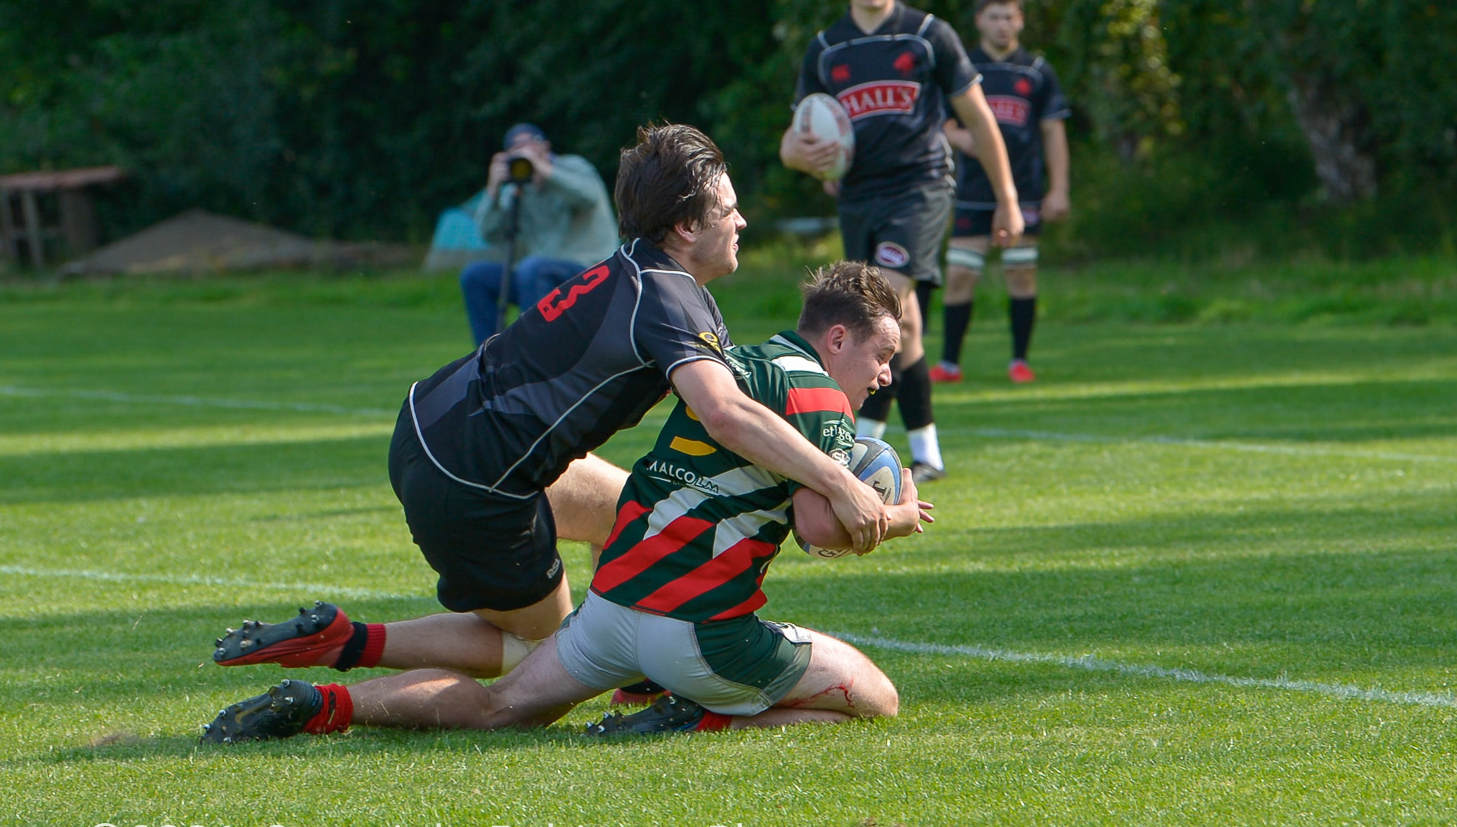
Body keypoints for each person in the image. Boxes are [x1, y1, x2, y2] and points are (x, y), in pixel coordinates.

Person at [212, 124, 890, 685]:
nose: (742, 220)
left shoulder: (642, 268)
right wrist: (840, 482)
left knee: (635, 507)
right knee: (542, 657)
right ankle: (344, 640)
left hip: (430, 421)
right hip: (472, 482)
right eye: (727, 210)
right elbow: (725, 414)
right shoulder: (672, 300)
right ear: (685, 225)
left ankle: (644, 647)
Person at [201, 261, 930, 743]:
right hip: (701, 636)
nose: (886, 375)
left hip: (610, 613)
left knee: (501, 705)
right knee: (878, 696)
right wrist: (893, 514)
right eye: (881, 354)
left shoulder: (731, 357)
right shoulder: (823, 398)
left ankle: (328, 703)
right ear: (837, 337)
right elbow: (821, 528)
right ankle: (698, 720)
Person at [780, 0, 1022, 484]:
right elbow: (793, 143)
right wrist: (804, 155)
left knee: (877, 309)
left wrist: (1007, 200)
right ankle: (927, 452)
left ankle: (858, 447)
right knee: (903, 327)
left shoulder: (928, 36)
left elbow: (982, 121)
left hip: (921, 187)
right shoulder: (826, 49)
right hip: (858, 195)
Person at [933, 0, 1071, 385]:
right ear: (979, 21)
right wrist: (963, 139)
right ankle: (950, 364)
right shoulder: (963, 68)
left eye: (1009, 16)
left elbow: (1054, 132)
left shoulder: (1037, 71)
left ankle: (1019, 361)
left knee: (1021, 274)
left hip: (1024, 189)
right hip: (972, 191)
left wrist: (1058, 188)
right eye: (993, 16)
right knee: (960, 275)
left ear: (1020, 20)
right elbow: (941, 124)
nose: (1002, 25)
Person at [459, 123, 618, 346]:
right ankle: (490, 361)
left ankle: (534, 356)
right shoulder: (518, 190)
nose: (524, 152)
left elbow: (588, 196)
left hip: (589, 272)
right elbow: (489, 233)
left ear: (545, 147)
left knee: (531, 268)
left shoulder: (573, 166)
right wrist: (493, 189)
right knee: (475, 276)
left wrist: (542, 169)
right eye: (516, 148)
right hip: (536, 276)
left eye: (529, 144)